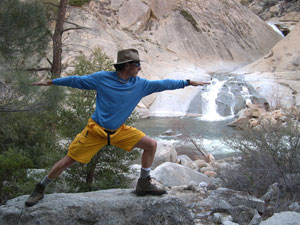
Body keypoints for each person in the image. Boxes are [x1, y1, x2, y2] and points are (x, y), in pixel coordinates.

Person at [25, 48, 210, 207]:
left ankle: (143, 183)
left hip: (119, 132)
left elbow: (163, 84)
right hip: (95, 132)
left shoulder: (140, 85)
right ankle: (40, 188)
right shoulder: (102, 79)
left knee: (151, 145)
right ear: (127, 65)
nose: (140, 68)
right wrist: (51, 82)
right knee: (67, 160)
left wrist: (187, 82)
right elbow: (76, 80)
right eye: (137, 64)